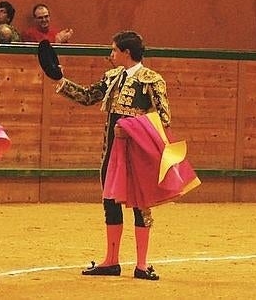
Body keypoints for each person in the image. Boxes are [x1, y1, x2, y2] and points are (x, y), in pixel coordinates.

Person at [54, 31, 170, 281]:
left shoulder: (152, 80)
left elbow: (163, 119)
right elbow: (87, 97)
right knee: (110, 202)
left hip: (138, 154)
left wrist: (131, 127)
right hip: (112, 153)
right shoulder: (112, 77)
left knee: (141, 206)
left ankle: (141, 265)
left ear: (126, 53)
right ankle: (111, 261)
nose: (111, 55)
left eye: (114, 50)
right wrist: (61, 80)